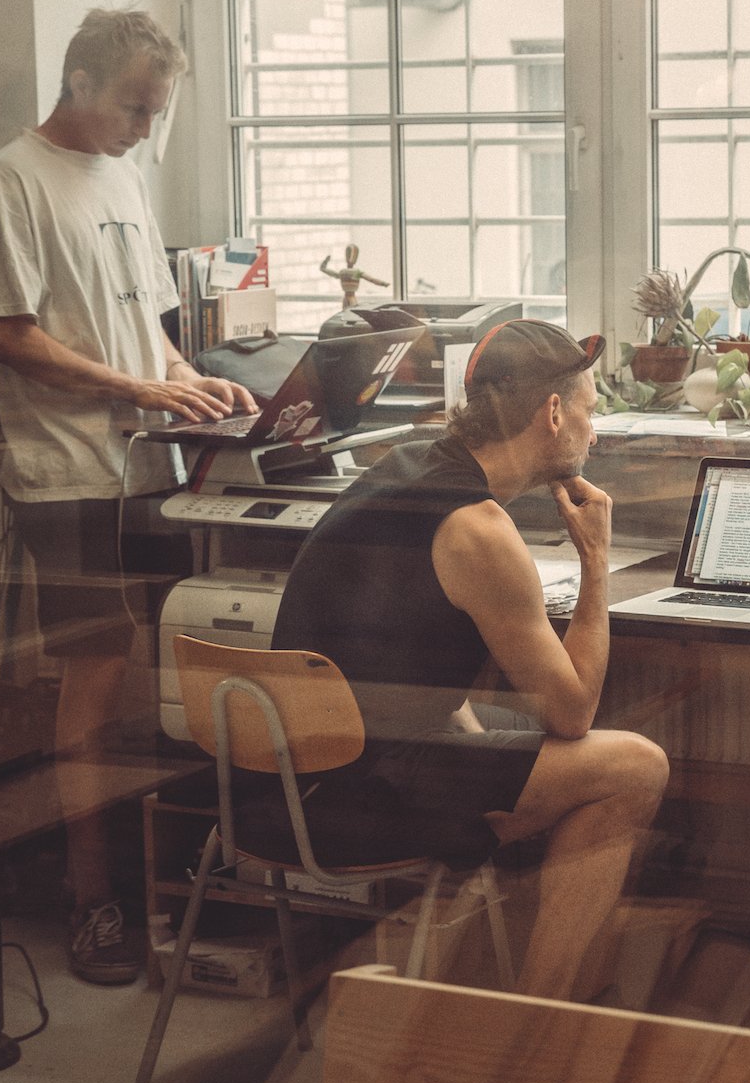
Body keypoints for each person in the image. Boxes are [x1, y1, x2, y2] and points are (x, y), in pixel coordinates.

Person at [0, 9, 259, 983]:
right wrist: (139, 388)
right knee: (93, 683)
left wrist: (192, 382)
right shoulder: (15, 176)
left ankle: (172, 878)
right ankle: (91, 901)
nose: (145, 124)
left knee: (164, 669)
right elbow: (1, 328)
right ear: (81, 81)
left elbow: (149, 327)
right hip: (68, 476)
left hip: (149, 468)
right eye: (136, 104)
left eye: (157, 108)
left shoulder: (125, 174)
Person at [272, 319, 670, 1000]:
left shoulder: (407, 467)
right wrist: (596, 562)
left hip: (285, 775)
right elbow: (572, 711)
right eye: (589, 410)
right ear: (552, 413)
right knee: (634, 766)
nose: (593, 432)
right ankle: (539, 1014)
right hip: (350, 797)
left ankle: (494, 965)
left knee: (511, 735)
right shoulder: (476, 527)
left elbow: (400, 662)